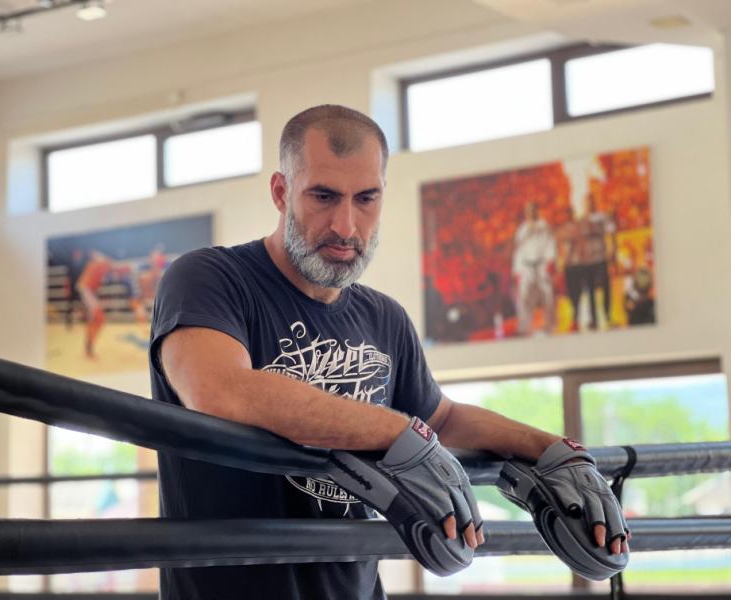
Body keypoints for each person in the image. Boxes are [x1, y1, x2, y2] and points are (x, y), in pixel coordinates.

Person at [148, 105, 627, 600]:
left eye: (366, 199)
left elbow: (439, 419)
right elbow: (220, 391)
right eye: (323, 196)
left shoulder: (383, 317)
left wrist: (550, 449)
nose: (345, 226)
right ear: (281, 192)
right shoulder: (209, 279)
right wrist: (398, 433)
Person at [512, 201, 557, 335]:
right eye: (528, 210)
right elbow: (518, 251)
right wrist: (517, 270)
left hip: (542, 264)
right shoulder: (522, 230)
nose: (531, 213)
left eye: (533, 210)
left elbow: (551, 243)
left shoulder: (544, 226)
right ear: (525, 213)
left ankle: (550, 325)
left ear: (537, 211)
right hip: (526, 267)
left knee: (547, 296)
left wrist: (551, 261)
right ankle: (524, 327)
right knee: (524, 297)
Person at [579, 193, 617, 330]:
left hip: (601, 257)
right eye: (586, 202)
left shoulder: (602, 217)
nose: (589, 205)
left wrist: (612, 250)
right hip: (587, 260)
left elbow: (611, 232)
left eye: (590, 202)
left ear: (594, 203)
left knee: (606, 287)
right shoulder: (581, 220)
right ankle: (593, 319)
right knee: (590, 290)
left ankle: (607, 316)